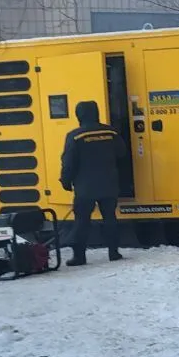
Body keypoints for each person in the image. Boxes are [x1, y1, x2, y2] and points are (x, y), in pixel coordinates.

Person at [60, 100, 130, 267]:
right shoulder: (110, 132)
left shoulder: (75, 136)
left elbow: (68, 162)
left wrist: (65, 181)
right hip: (109, 184)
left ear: (79, 115)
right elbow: (122, 153)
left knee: (82, 221)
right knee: (110, 218)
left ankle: (79, 256)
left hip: (85, 187)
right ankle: (113, 252)